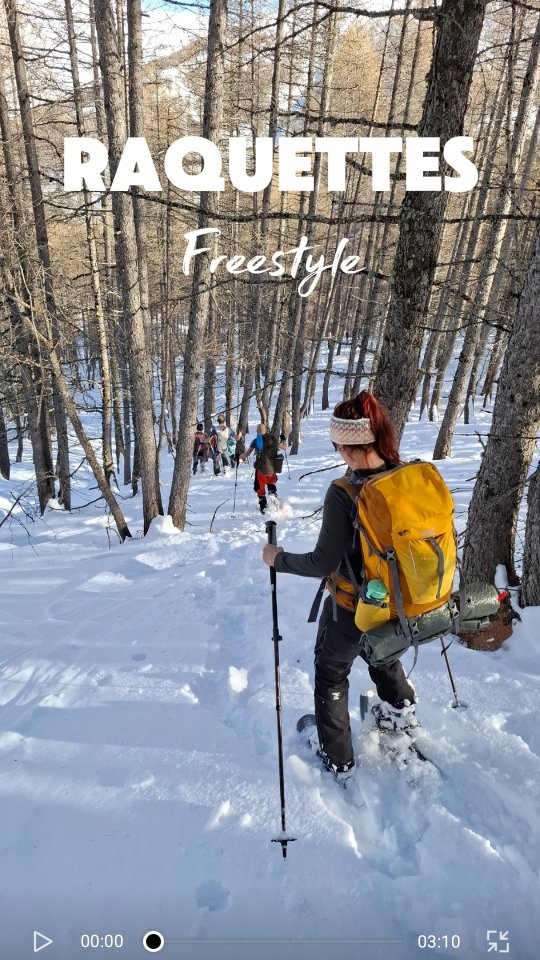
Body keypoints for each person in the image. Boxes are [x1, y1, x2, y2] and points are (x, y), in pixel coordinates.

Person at [262, 391, 418, 781]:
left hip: (352, 606)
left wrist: (277, 559)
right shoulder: (406, 476)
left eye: (338, 444)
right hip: (401, 601)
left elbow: (322, 563)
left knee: (332, 673)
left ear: (350, 445)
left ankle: (339, 757)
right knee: (383, 655)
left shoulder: (344, 492)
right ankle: (401, 712)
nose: (337, 452)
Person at [241, 423, 285, 513]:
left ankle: (263, 507)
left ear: (257, 431)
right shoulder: (273, 439)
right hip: (272, 469)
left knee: (260, 488)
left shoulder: (256, 441)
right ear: (266, 430)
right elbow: (284, 447)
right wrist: (283, 439)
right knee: (271, 486)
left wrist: (237, 457)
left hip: (260, 470)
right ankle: (275, 501)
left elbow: (246, 454)